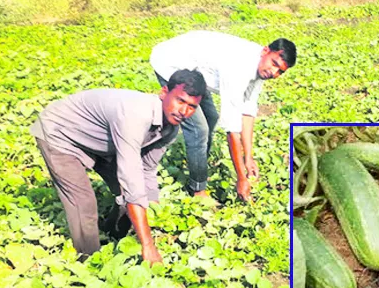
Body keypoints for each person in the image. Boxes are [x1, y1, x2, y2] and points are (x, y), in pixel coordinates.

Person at [29, 69, 206, 264]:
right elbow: (131, 176)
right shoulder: (135, 115)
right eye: (180, 101)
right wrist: (147, 244)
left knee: (131, 194)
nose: (184, 111)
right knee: (84, 204)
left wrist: (153, 208)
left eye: (192, 106)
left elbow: (146, 169)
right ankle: (90, 263)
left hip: (99, 141)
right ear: (164, 93)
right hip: (61, 134)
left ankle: (113, 234)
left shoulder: (171, 128)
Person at [150, 31, 297, 202]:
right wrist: (241, 177)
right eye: (274, 64)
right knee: (199, 129)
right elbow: (232, 128)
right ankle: (198, 190)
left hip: (196, 71)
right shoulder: (239, 67)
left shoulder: (261, 69)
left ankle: (199, 164)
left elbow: (247, 112)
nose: (274, 72)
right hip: (171, 62)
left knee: (211, 118)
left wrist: (248, 157)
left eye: (280, 71)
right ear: (265, 51)